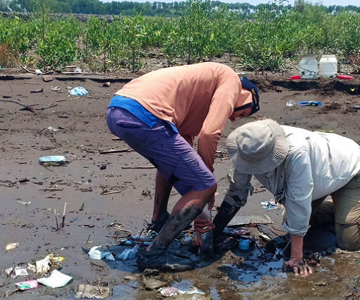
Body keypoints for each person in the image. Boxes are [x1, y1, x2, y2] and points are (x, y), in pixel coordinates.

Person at [106, 62, 260, 270]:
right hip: (146, 113)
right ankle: (155, 253)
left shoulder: (198, 96)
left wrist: (197, 191)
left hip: (119, 109)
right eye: (241, 113)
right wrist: (206, 191)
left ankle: (159, 219)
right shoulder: (231, 79)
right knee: (205, 184)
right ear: (247, 93)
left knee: (173, 165)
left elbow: (179, 157)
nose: (233, 117)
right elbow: (209, 134)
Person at [212, 119, 360, 276]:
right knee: (292, 222)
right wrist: (213, 233)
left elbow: (298, 202)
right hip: (317, 182)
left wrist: (296, 258)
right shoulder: (248, 148)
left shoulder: (296, 152)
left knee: (350, 241)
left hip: (352, 171)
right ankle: (342, 208)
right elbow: (237, 193)